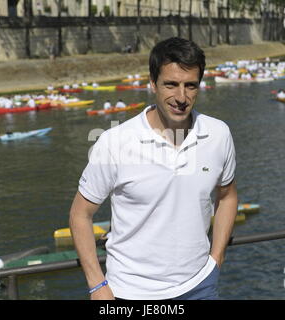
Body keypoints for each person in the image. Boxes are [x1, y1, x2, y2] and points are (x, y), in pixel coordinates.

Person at [69, 37, 238, 300]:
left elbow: (227, 196)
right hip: (130, 292)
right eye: (171, 84)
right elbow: (80, 215)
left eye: (190, 86)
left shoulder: (219, 134)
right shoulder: (115, 142)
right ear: (152, 84)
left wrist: (216, 258)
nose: (181, 97)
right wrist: (97, 285)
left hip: (200, 286)